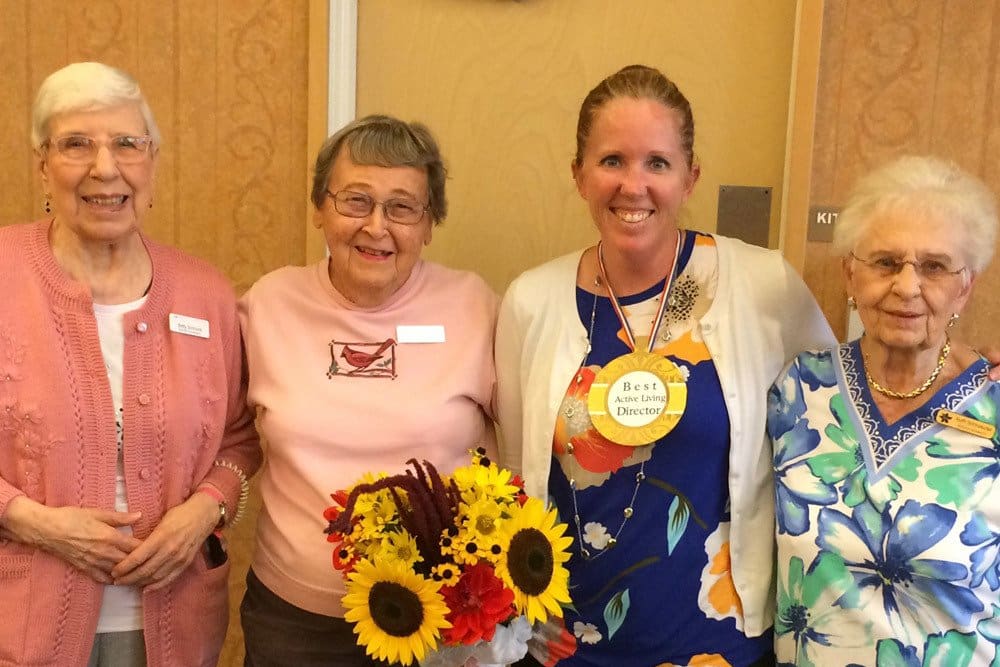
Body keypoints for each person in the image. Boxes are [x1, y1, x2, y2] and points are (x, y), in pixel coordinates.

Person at [495, 64, 836, 666]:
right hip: (568, 644)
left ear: (689, 177)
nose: (634, 185)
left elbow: (840, 409)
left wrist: (953, 375)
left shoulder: (761, 285)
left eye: (657, 163)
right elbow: (515, 466)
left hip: (718, 639)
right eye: (611, 161)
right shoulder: (532, 300)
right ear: (579, 175)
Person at [0, 62, 261, 667]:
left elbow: (240, 439)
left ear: (152, 164)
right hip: (20, 620)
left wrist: (206, 510)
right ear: (43, 165)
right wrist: (33, 521)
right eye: (76, 145)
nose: (104, 167)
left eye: (126, 143)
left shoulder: (206, 292)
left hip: (175, 626)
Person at [238, 114, 499, 666]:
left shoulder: (474, 307)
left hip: (440, 621)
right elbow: (218, 433)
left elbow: (524, 448)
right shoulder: (269, 304)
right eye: (355, 201)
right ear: (319, 209)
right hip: (296, 621)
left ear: (429, 224)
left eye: (402, 207)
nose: (377, 227)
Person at [767, 156, 1000, 664]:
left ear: (967, 285)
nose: (907, 286)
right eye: (886, 262)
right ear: (851, 273)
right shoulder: (798, 389)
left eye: (934, 267)